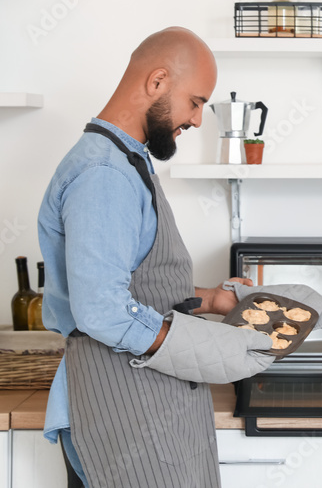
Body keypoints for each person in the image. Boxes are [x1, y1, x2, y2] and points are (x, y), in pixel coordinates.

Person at [37, 27, 272, 487]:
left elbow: (136, 282)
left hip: (149, 407)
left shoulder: (126, 161)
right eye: (196, 102)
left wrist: (210, 300)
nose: (198, 120)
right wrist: (207, 349)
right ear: (158, 82)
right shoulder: (103, 174)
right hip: (125, 411)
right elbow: (102, 309)